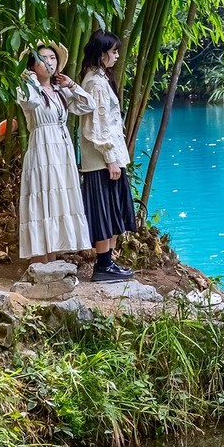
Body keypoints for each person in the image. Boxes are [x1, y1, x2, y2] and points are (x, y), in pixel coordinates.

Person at [16, 41, 94, 264]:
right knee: (42, 198)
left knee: (58, 197)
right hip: (41, 148)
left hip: (62, 150)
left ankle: (53, 258)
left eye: (52, 58)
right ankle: (40, 262)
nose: (48, 62)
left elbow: (88, 106)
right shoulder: (27, 88)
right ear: (32, 64)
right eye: (42, 59)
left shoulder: (60, 91)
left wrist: (72, 84)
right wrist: (30, 79)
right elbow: (29, 103)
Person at [78, 30, 136, 282]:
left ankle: (108, 263)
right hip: (102, 160)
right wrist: (110, 157)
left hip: (109, 158)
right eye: (113, 52)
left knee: (113, 209)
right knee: (104, 210)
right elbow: (96, 126)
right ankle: (102, 266)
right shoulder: (95, 83)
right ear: (102, 55)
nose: (117, 56)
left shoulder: (99, 79)